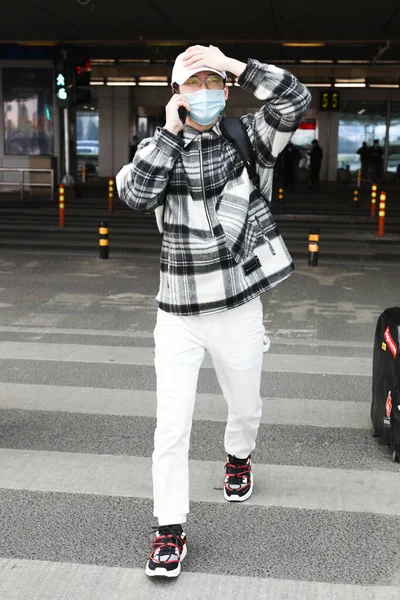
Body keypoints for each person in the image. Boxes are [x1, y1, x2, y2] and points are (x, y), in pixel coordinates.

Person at [116, 44, 311, 578]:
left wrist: (234, 66)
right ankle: (168, 530)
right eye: (194, 84)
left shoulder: (248, 136)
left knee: (245, 405)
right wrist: (169, 135)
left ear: (223, 91)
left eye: (212, 83)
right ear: (176, 95)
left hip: (238, 307)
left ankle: (238, 454)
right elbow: (135, 195)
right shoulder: (159, 147)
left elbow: (296, 99)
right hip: (177, 312)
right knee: (170, 428)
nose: (205, 93)